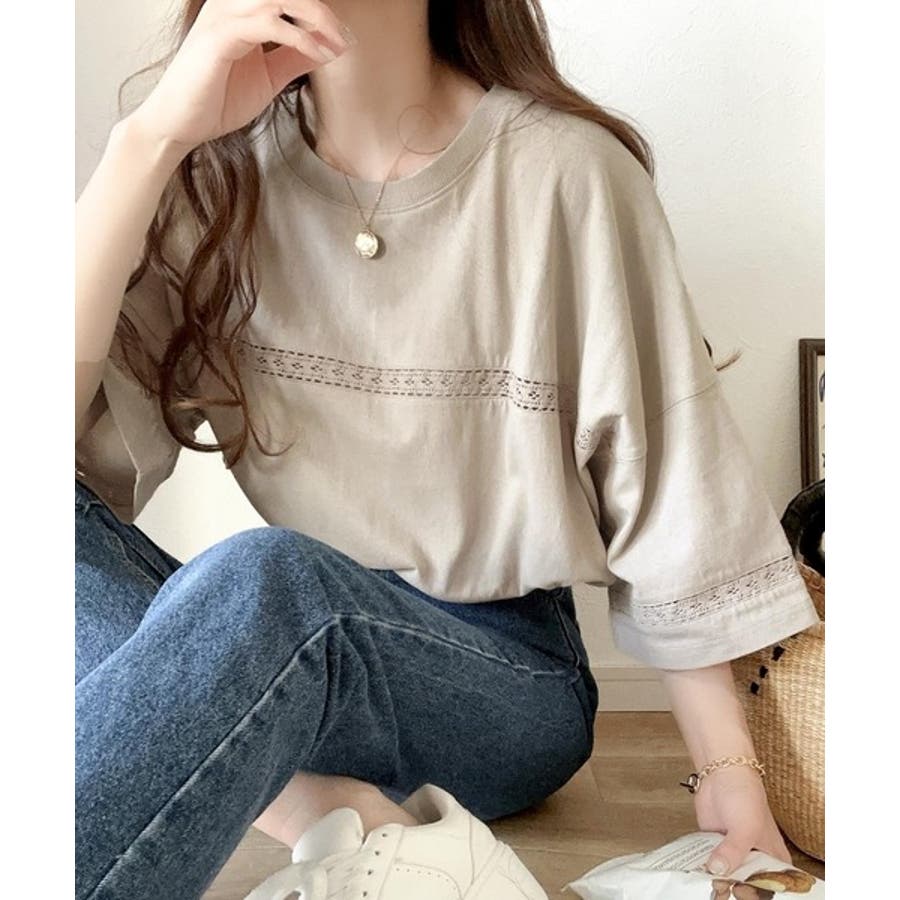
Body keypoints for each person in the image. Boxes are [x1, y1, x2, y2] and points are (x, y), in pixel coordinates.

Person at [74, 2, 822, 898]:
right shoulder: (218, 180)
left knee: (272, 578)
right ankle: (318, 806)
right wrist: (149, 141)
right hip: (277, 654)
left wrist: (727, 771)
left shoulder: (565, 172)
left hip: (500, 682)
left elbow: (668, 487)